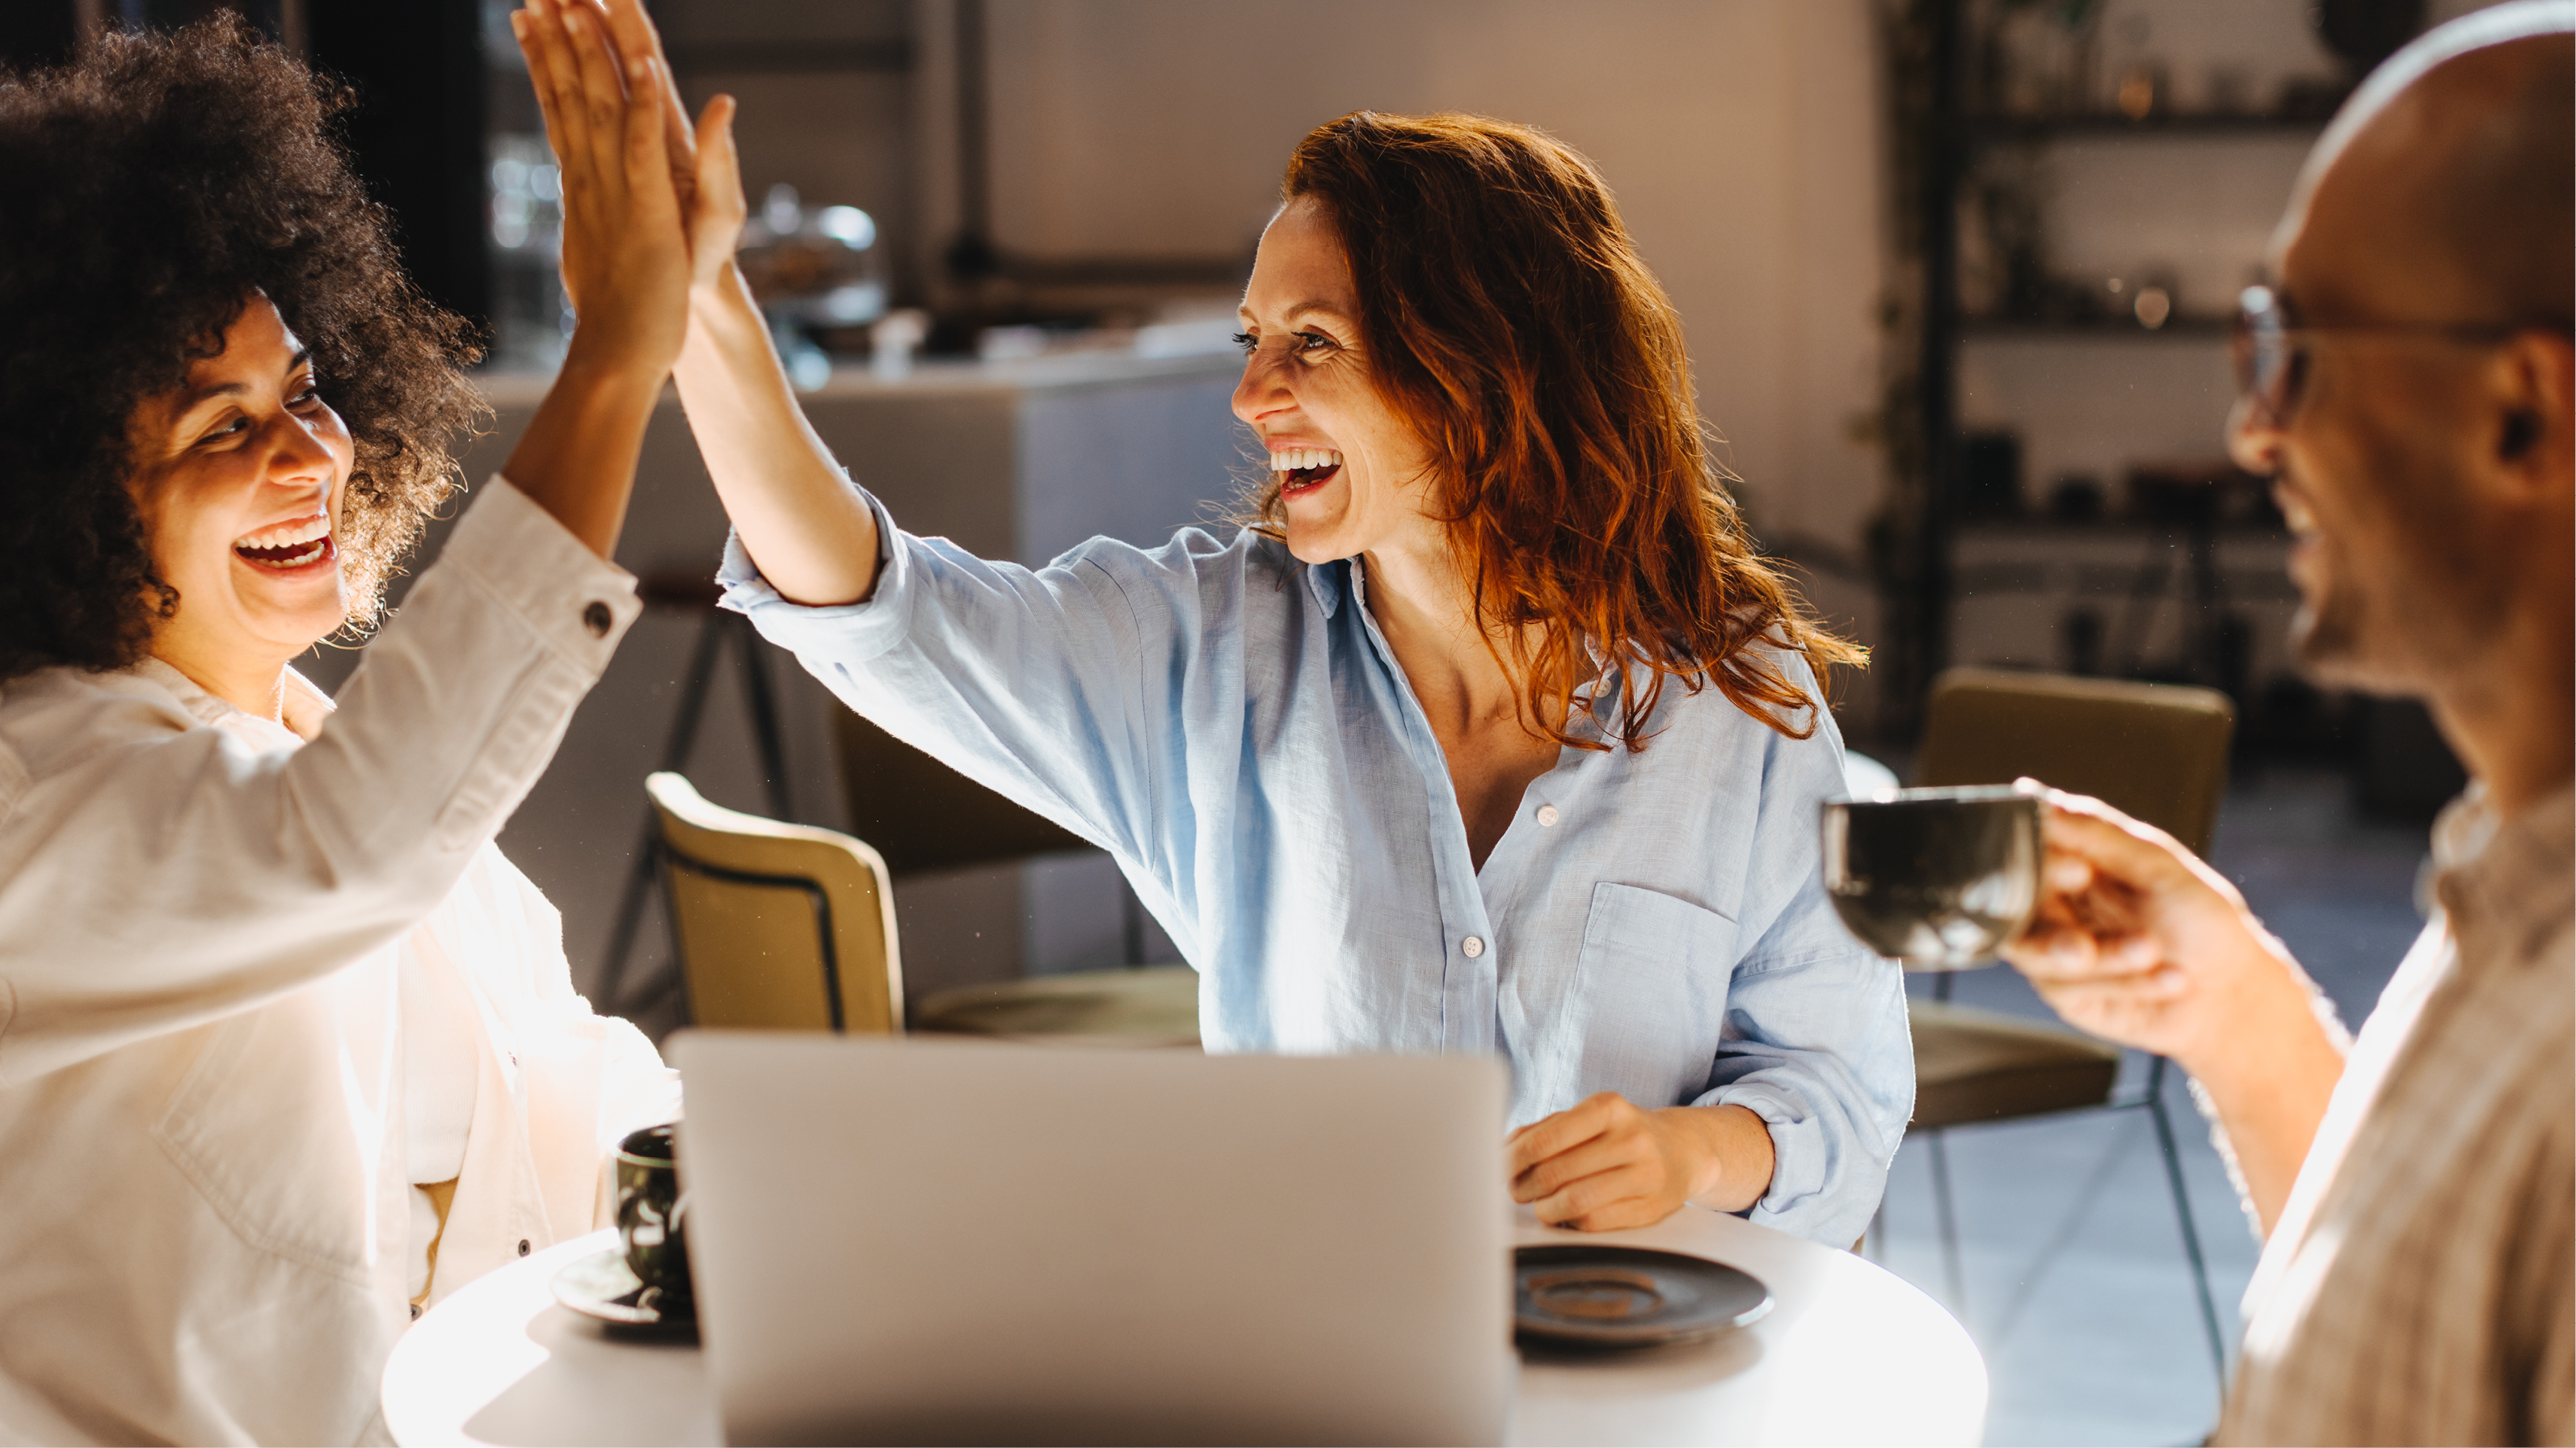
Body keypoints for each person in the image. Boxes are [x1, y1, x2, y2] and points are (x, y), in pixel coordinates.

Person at [526, 2, 1913, 1247]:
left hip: (1639, 1364)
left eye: (1309, 343)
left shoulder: (1734, 696)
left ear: (1483, 375)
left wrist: (1689, 1152)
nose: (1252, 398)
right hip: (1319, 1349)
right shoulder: (1211, 656)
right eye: (1253, 340)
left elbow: (1841, 1083)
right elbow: (879, 604)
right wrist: (698, 304)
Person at [0, 11, 726, 1442]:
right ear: (61, 495)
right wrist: (616, 355)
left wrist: (819, 1157)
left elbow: (559, 1087)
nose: (307, 454)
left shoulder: (299, 738)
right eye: (222, 428)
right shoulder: (37, 792)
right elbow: (347, 845)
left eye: (309, 391)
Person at [1993, 5, 2573, 1443]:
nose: (2258, 430)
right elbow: (2411, 1324)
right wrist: (2241, 1021)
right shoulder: (2513, 879)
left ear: (2526, 411)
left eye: (2292, 344)